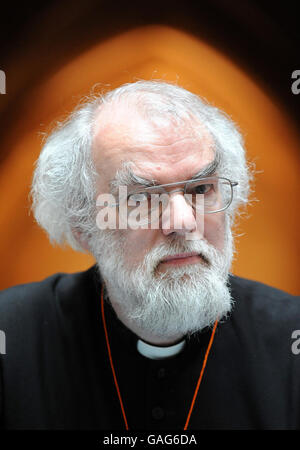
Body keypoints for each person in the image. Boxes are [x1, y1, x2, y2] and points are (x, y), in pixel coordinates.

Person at [0, 80, 299, 430]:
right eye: (141, 198)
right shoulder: (11, 340)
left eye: (201, 188)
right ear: (83, 226)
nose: (183, 222)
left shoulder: (290, 339)